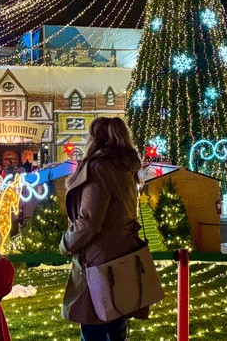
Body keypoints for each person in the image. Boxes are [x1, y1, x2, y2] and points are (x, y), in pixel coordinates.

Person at [59, 117, 148, 340]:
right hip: (122, 257)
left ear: (94, 139)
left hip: (99, 262)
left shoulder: (98, 168)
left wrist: (66, 243)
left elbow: (89, 221)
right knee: (116, 327)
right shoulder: (125, 169)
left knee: (94, 328)